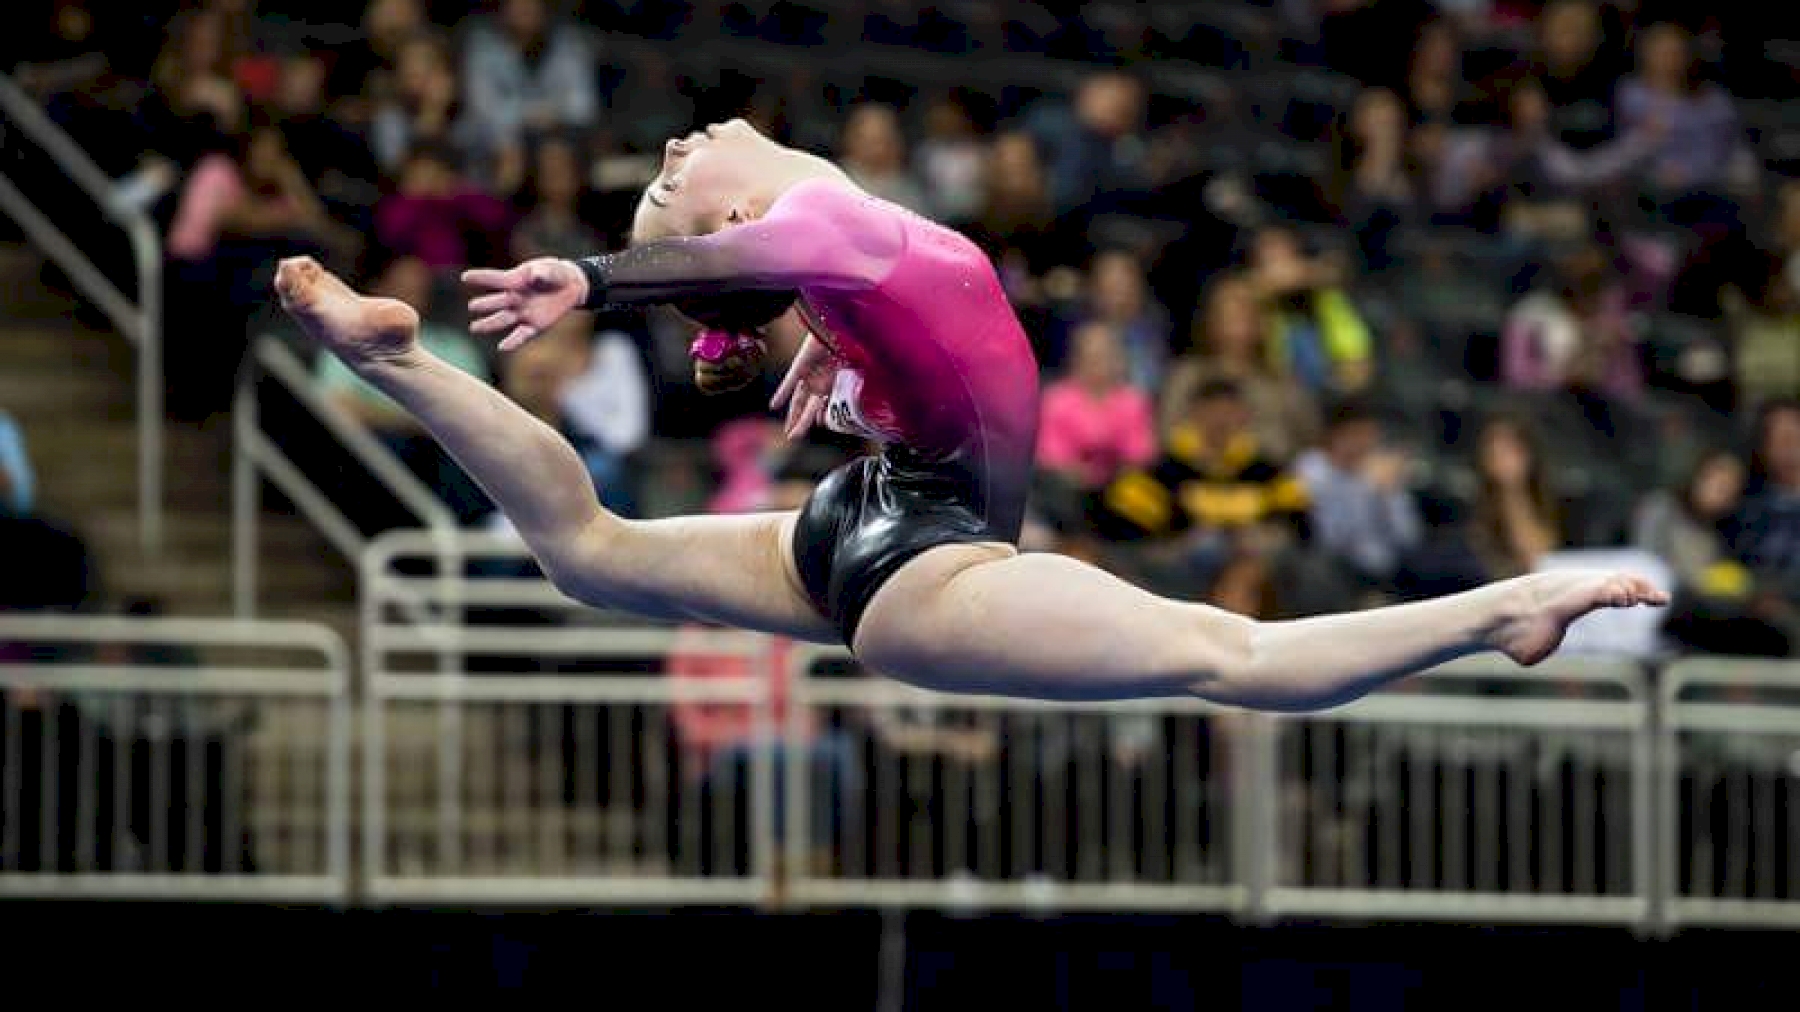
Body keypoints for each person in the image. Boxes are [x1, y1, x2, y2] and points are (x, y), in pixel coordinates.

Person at [274, 118, 1664, 713]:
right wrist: (597, 273)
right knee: (1227, 654)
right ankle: (1501, 610)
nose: (676, 154)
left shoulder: (838, 252)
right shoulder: (823, 219)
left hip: (868, 524)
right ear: (742, 220)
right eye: (669, 181)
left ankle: (393, 357)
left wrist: (807, 340)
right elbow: (743, 269)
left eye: (664, 174)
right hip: (925, 560)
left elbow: (771, 294)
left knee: (585, 551)